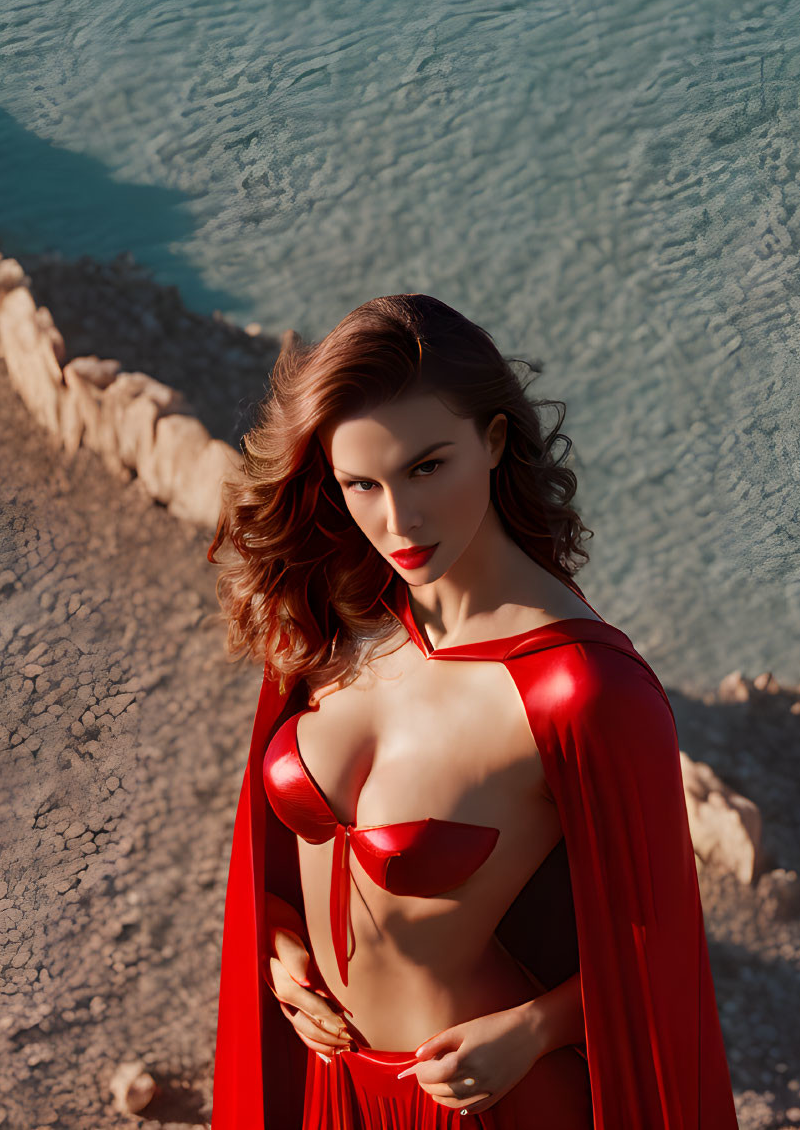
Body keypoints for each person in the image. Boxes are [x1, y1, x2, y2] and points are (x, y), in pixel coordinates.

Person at [206, 294, 739, 1129]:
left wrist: (532, 1032)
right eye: (362, 483)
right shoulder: (342, 617)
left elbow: (660, 951)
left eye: (427, 467)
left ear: (493, 441)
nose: (399, 520)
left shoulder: (579, 688)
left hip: (488, 1103)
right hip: (333, 1086)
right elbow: (278, 859)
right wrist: (276, 951)